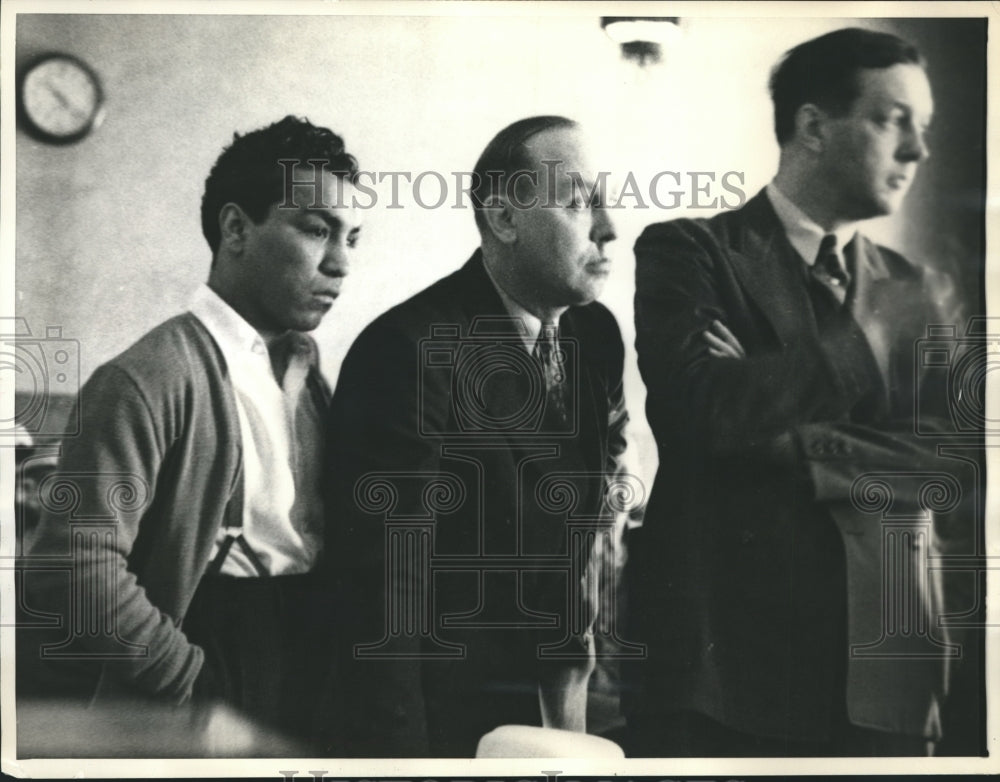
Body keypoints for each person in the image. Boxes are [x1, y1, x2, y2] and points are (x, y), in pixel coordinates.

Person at [626, 28, 971, 757]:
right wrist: (865, 346)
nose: (918, 152)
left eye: (924, 127)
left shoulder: (915, 286)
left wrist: (772, 414)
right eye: (892, 120)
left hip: (890, 663)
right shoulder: (690, 252)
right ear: (814, 126)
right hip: (731, 674)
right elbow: (700, 411)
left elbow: (948, 470)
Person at [19, 115, 363, 751]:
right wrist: (188, 679)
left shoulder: (309, 371)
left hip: (307, 650)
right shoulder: (146, 377)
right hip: (211, 652)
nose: (340, 262)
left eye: (352, 236)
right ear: (236, 228)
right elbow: (71, 564)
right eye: (316, 230)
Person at [324, 115, 628, 757]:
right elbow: (386, 599)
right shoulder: (408, 352)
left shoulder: (594, 336)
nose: (608, 228)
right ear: (504, 217)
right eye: (578, 201)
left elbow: (597, 487)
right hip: (461, 724)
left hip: (571, 702)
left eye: (606, 200)